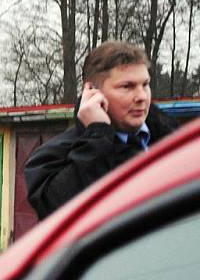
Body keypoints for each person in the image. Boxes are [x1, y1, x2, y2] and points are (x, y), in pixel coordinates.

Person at [25, 40, 176, 220]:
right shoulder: (51, 157)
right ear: (92, 92)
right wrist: (97, 138)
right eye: (127, 86)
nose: (142, 97)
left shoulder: (173, 140)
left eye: (145, 84)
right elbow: (61, 215)